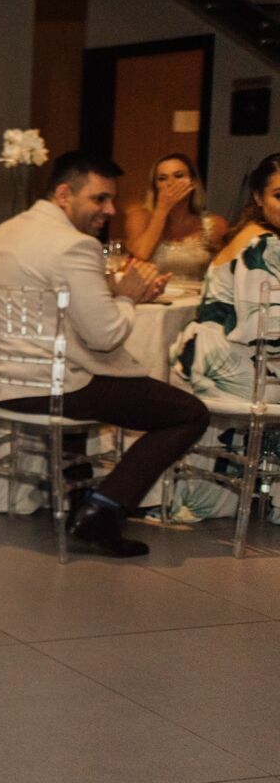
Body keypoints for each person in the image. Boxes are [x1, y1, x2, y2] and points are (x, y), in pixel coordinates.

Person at [0, 151, 209, 556]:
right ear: (65, 193)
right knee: (188, 413)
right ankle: (100, 512)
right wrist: (130, 299)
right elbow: (104, 337)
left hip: (0, 381)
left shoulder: (5, 232)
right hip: (52, 385)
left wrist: (114, 294)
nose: (110, 209)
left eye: (111, 199)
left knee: (97, 381)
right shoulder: (74, 245)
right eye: (99, 199)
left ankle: (75, 502)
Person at [164, 154, 280, 521]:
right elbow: (261, 329)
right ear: (259, 199)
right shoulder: (266, 244)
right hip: (235, 364)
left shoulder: (244, 234)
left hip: (202, 359)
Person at [121, 152, 228, 281]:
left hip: (195, 297)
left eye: (178, 176)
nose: (170, 183)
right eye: (162, 178)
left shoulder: (214, 224)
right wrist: (162, 210)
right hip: (151, 297)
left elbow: (222, 273)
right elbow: (141, 255)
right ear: (155, 186)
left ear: (193, 182)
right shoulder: (139, 218)